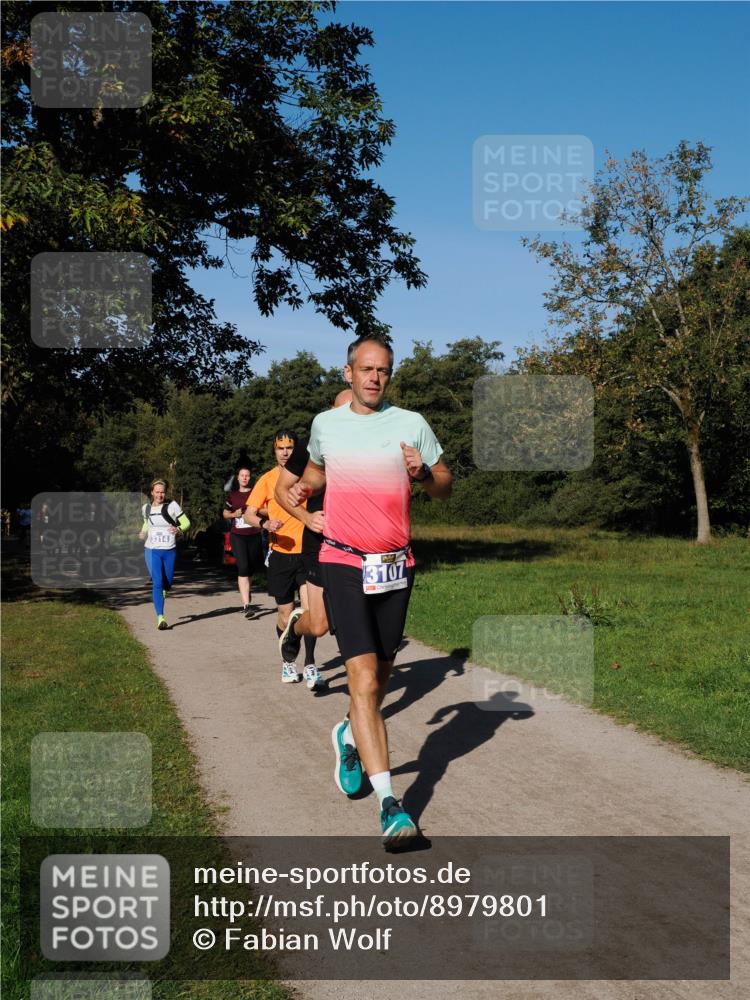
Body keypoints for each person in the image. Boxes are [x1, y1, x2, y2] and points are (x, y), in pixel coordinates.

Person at [287, 335, 452, 847]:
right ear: (349, 372)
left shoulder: (411, 424)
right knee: (361, 678)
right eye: (366, 369)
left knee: (379, 679)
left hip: (395, 566)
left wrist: (423, 474)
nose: (374, 378)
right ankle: (390, 805)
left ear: (389, 376)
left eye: (383, 371)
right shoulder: (326, 424)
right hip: (342, 560)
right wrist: (303, 503)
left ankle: (348, 732)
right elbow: (312, 476)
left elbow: (445, 486)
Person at [275, 388, 353, 688]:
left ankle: (358, 689)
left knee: (356, 616)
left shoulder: (372, 443)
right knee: (318, 623)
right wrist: (306, 517)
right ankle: (295, 629)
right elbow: (281, 491)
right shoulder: (312, 444)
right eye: (342, 412)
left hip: (359, 542)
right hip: (319, 541)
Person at [242, 430, 315, 685]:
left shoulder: (309, 476)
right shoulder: (267, 479)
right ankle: (288, 662)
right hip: (280, 555)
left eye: (289, 448)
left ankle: (310, 664)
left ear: (297, 450)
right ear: (274, 451)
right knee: (285, 614)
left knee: (310, 612)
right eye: (280, 448)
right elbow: (248, 514)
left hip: (307, 553)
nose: (285, 453)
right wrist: (265, 524)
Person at [139, 479, 190, 630]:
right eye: (157, 492)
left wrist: (179, 529)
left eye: (162, 492)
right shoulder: (146, 508)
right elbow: (147, 523)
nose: (160, 495)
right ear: (152, 492)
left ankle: (162, 594)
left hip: (169, 551)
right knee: (157, 582)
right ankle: (160, 618)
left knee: (167, 584)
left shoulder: (172, 506)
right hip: (152, 550)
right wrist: (143, 532)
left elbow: (186, 522)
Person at [223, 466, 264, 618]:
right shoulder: (232, 495)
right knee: (243, 567)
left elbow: (265, 509)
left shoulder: (256, 493)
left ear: (250, 478)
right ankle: (246, 605)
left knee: (250, 568)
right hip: (237, 536)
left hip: (254, 535)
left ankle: (247, 590)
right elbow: (225, 513)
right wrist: (234, 514)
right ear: (238, 478)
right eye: (242, 475)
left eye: (247, 475)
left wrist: (256, 512)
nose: (245, 478)